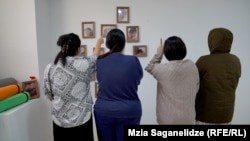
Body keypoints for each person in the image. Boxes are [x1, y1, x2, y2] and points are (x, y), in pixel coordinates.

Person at [43, 33, 103, 141]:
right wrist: (99, 42)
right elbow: (95, 57)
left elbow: (48, 94)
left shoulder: (49, 68)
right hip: (82, 120)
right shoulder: (84, 64)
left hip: (59, 122)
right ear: (78, 49)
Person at [93, 28, 143, 141]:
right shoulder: (133, 60)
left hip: (104, 111)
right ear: (124, 43)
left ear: (107, 44)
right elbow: (137, 81)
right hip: (129, 110)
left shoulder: (100, 61)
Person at [145, 36, 199, 124]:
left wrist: (159, 52)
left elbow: (150, 66)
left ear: (166, 52)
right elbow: (196, 86)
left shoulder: (163, 69)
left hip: (167, 119)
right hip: (188, 117)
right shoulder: (191, 65)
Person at [195, 27, 241, 124]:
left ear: (212, 41)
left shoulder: (203, 61)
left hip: (205, 115)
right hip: (227, 115)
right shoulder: (236, 60)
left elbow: (191, 82)